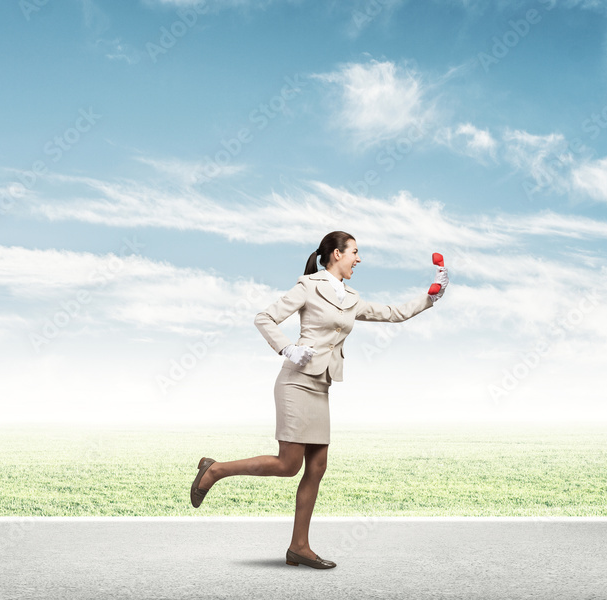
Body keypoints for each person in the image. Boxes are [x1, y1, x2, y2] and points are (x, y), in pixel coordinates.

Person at [189, 231, 448, 569]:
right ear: (336, 254)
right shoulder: (308, 285)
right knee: (288, 464)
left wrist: (432, 296)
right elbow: (264, 317)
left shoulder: (352, 297)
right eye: (355, 252)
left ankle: (299, 546)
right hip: (295, 382)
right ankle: (216, 470)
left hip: (321, 385)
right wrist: (287, 347)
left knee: (317, 465)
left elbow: (393, 312)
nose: (359, 258)